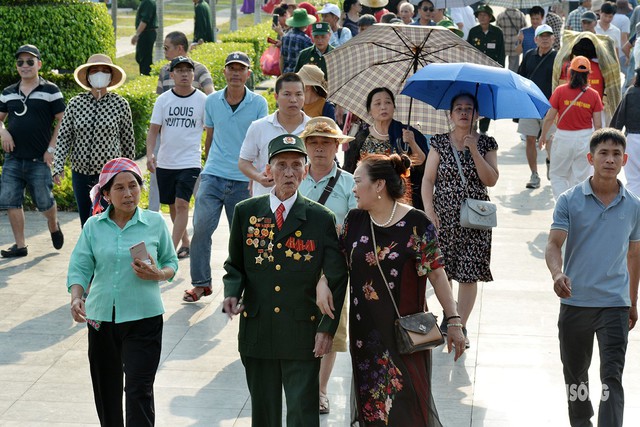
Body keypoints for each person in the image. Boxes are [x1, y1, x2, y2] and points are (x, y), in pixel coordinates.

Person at [222, 134, 348, 427]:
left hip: (302, 332)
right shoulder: (246, 212)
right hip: (258, 329)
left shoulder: (321, 218)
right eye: (281, 165)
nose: (288, 173)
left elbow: (337, 276)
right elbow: (235, 264)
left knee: (303, 414)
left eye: (295, 165)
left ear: (305, 171)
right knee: (264, 414)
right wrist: (232, 293)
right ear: (268, 170)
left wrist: (327, 329)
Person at [340, 153, 466, 425]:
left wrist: (454, 319)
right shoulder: (354, 221)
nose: (353, 188)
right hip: (365, 334)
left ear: (378, 186)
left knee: (407, 406)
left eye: (358, 181)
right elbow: (336, 265)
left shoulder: (417, 223)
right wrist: (324, 284)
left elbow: (437, 272)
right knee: (372, 406)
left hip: (406, 335)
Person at [67, 157, 178, 426]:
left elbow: (170, 262)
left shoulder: (154, 222)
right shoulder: (93, 226)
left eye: (133, 186)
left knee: (139, 389)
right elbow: (80, 266)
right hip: (99, 317)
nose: (128, 193)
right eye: (119, 188)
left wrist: (159, 274)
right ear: (106, 194)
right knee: (106, 389)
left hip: (144, 317)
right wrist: (76, 297)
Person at [545, 128, 640, 427]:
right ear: (591, 158)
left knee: (612, 377)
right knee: (576, 378)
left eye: (615, 154)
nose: (609, 160)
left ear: (624, 160)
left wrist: (632, 302)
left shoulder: (634, 206)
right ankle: (581, 422)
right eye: (603, 153)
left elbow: (634, 256)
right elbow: (553, 244)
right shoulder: (569, 200)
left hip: (614, 304)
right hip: (576, 303)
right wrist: (557, 273)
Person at [184, 52, 268, 303]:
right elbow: (209, 136)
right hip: (213, 175)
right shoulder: (211, 102)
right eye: (230, 68)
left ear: (248, 74)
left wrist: (256, 176)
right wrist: (207, 165)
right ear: (224, 72)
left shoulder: (258, 103)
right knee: (200, 229)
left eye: (240, 69)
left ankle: (243, 288)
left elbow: (261, 142)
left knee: (243, 237)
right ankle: (200, 284)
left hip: (244, 179)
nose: (235, 73)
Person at [421, 93, 499, 348]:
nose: (464, 113)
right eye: (458, 109)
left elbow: (491, 179)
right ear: (451, 114)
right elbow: (428, 180)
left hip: (475, 218)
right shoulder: (440, 143)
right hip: (444, 215)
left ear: (477, 114)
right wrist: (429, 211)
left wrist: (474, 150)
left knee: (469, 272)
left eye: (469, 109)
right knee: (443, 269)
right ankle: (450, 316)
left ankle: (460, 326)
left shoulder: (487, 143)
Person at [298, 117, 355, 415]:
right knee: (297, 327)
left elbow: (355, 225)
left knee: (329, 327)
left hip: (334, 266)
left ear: (336, 147)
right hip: (297, 264)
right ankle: (300, 386)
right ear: (306, 146)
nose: (319, 148)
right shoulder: (295, 178)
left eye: (326, 142)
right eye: (314, 142)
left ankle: (320, 390)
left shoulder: (349, 182)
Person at [53, 54, 135, 227]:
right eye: (95, 70)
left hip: (109, 176)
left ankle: (107, 252)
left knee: (106, 219)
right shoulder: (76, 103)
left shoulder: (120, 104)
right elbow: (64, 137)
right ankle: (89, 253)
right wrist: (58, 166)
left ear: (111, 77)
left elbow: (128, 142)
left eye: (105, 71)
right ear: (88, 76)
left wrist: (131, 174)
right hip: (81, 174)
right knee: (87, 220)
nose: (100, 74)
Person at [0, 44, 65, 258]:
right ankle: (20, 246)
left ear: (39, 64)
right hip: (13, 158)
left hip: (39, 158)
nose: (25, 66)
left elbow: (62, 121)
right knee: (11, 200)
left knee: (44, 201)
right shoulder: (8, 92)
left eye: (30, 61)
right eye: (20, 62)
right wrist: (3, 132)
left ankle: (53, 224)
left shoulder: (51, 90)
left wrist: (52, 149)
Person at [146, 57, 207, 249]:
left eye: (188, 70)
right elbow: (153, 130)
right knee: (173, 205)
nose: (184, 74)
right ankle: (185, 242)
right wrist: (149, 155)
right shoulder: (163, 100)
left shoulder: (203, 100)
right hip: (166, 162)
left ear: (193, 74)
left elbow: (210, 130)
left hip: (190, 161)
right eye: (179, 70)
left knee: (182, 204)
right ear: (171, 75)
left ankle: (170, 251)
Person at [343, 87, 429, 210]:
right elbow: (349, 171)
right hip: (368, 199)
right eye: (377, 103)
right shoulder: (361, 137)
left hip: (400, 199)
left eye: (388, 102)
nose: (383, 107)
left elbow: (421, 162)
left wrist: (412, 142)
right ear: (369, 110)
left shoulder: (406, 133)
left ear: (394, 107)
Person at [541, 56, 603, 200]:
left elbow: (550, 117)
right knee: (581, 176)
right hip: (585, 138)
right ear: (588, 74)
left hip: (563, 137)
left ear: (570, 72)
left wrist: (543, 136)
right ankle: (577, 207)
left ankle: (562, 206)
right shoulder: (594, 95)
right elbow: (598, 124)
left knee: (558, 175)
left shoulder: (560, 91)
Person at [239, 72, 310, 197]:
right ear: (276, 96)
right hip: (266, 202)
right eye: (287, 94)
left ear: (304, 96)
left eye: (298, 94)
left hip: (304, 202)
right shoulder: (259, 127)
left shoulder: (313, 127)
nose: (293, 99)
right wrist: (258, 177)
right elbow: (244, 162)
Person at [517, 25, 557, 190]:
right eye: (542, 36)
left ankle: (550, 162)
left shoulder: (557, 57)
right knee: (530, 139)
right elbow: (520, 78)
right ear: (535, 39)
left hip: (551, 106)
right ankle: (534, 174)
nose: (545, 38)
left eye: (548, 35)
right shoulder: (528, 56)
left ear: (553, 39)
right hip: (530, 104)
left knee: (550, 140)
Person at [467, 4, 505, 134]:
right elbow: (469, 52)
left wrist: (500, 73)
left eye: (484, 15)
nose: (481, 17)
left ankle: (484, 129)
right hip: (475, 72)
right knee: (473, 98)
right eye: (479, 15)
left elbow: (501, 53)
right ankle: (472, 125)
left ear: (490, 17)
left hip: (491, 73)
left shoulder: (497, 32)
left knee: (487, 100)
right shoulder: (473, 32)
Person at [611, 67, 640, 194]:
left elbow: (619, 118)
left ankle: (634, 211)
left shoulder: (630, 92)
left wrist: (611, 138)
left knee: (633, 180)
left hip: (632, 139)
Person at [280, 8, 315, 73]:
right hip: (299, 77)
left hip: (286, 75)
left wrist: (282, 74)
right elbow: (310, 61)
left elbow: (281, 58)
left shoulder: (285, 36)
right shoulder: (306, 39)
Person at [131, 0, 157, 76]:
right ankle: (144, 75)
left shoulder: (147, 2)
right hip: (145, 33)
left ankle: (146, 76)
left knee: (145, 59)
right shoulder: (144, 2)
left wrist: (137, 35)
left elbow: (145, 20)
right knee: (140, 57)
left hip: (147, 33)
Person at [496, 7, 527, 72]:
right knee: (513, 69)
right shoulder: (521, 15)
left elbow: (497, 31)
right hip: (515, 45)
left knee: (500, 66)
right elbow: (524, 31)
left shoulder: (501, 16)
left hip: (503, 45)